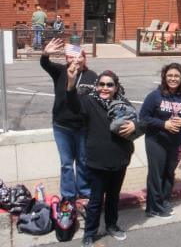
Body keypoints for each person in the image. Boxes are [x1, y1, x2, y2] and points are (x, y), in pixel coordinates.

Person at [66, 68, 137, 246]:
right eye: (101, 84)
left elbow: (139, 120)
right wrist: (70, 82)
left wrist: (135, 126)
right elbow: (73, 105)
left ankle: (112, 226)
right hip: (97, 160)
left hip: (120, 158)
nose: (105, 88)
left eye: (109, 85)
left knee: (113, 197)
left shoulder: (124, 103)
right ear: (97, 86)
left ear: (116, 87)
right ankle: (90, 232)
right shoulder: (89, 102)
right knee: (96, 200)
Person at [41, 38, 97, 201]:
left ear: (84, 58)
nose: (76, 60)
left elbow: (95, 102)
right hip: (61, 126)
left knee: (83, 160)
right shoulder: (59, 71)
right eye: (72, 57)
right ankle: (68, 194)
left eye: (80, 56)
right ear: (67, 59)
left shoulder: (91, 76)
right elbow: (45, 64)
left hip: (82, 127)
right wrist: (45, 54)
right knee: (66, 164)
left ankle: (84, 190)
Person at [139, 63, 181, 218]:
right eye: (170, 75)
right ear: (164, 77)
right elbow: (143, 118)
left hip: (177, 141)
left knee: (169, 172)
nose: (173, 78)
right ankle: (153, 207)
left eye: (176, 76)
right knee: (156, 174)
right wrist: (164, 124)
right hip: (156, 140)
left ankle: (163, 200)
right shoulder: (155, 96)